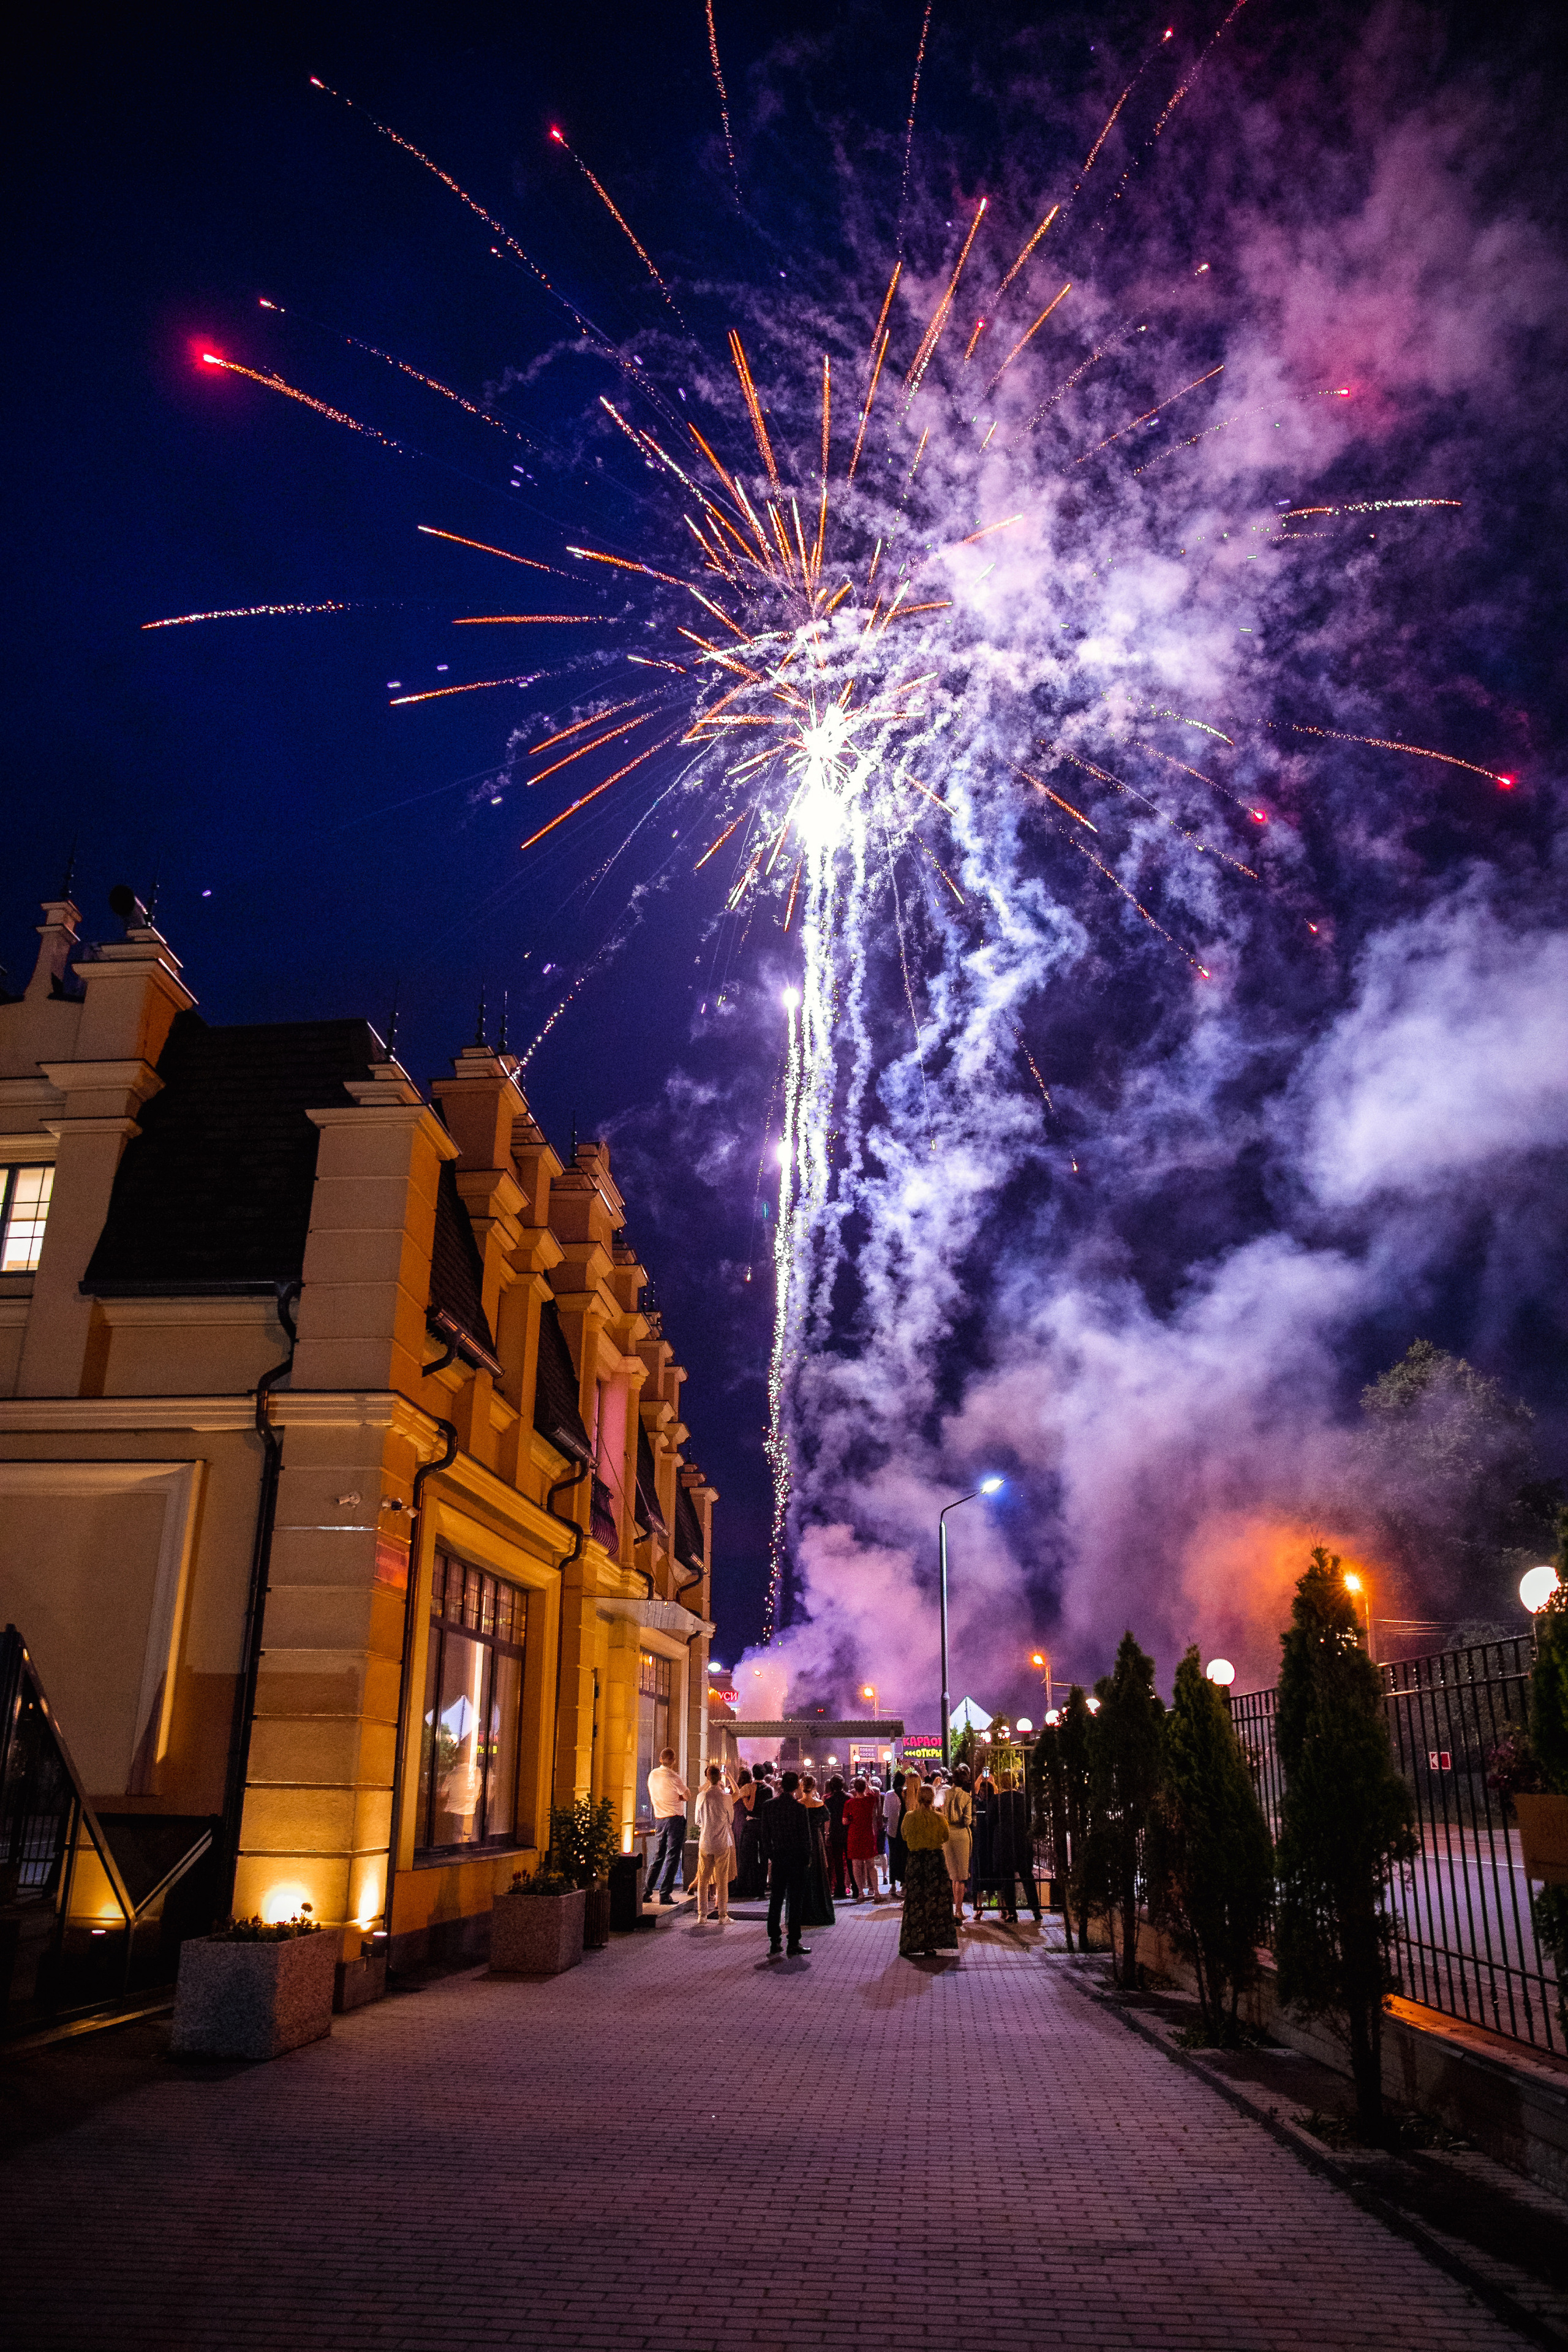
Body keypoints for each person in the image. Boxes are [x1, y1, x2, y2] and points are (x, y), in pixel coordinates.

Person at [899, 1784, 959, 1959]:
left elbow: (904, 1836)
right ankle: (932, 1944)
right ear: (933, 1799)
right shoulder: (939, 1818)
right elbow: (945, 1837)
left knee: (915, 1901)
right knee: (935, 1902)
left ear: (918, 1798)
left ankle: (912, 1942)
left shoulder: (909, 1818)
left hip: (916, 1861)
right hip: (934, 1861)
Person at [761, 1768, 812, 1956]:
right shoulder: (799, 1809)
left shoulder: (769, 1806)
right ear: (797, 1787)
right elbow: (805, 1837)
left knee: (776, 1899)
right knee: (795, 1901)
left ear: (781, 1785)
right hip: (796, 1859)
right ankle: (794, 1942)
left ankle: (775, 1941)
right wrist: (807, 1858)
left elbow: (765, 1835)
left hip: (779, 1857)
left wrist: (770, 1855)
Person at [992, 1768, 1042, 1924]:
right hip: (1021, 1839)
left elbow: (990, 1820)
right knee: (1027, 1875)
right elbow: (1029, 1818)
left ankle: (1012, 1913)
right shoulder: (1023, 1798)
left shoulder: (998, 1799)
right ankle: (1036, 1910)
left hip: (1004, 1840)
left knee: (1008, 1877)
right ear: (1015, 1782)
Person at [643, 1746, 691, 1906]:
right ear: (674, 1761)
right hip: (675, 1820)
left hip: (659, 1819)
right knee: (672, 1857)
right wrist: (679, 1797)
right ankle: (665, 1894)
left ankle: (647, 1890)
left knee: (659, 1856)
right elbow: (687, 1795)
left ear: (660, 1759)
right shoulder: (673, 1776)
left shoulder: (653, 1775)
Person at [694, 1762, 736, 1925]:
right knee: (722, 1880)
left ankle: (702, 1915)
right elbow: (730, 1820)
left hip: (705, 1842)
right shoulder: (726, 1798)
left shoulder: (701, 1797)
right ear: (720, 1778)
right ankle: (722, 1916)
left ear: (707, 1777)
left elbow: (697, 1821)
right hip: (722, 1842)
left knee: (703, 1880)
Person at [799, 1775, 837, 1928]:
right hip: (816, 1840)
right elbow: (827, 1821)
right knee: (818, 1873)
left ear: (802, 1786)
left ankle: (804, 1911)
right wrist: (825, 1834)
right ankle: (820, 1909)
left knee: (804, 1874)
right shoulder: (820, 1804)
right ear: (814, 1787)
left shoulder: (799, 1805)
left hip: (802, 1841)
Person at [943, 1764, 975, 1923]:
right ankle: (958, 1910)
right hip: (962, 1835)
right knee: (962, 1876)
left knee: (953, 1875)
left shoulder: (946, 1794)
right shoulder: (967, 1797)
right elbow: (968, 1820)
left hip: (947, 1835)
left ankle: (955, 1909)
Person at [731, 1766, 767, 1897]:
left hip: (751, 1824)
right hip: (764, 1826)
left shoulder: (750, 1787)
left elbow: (737, 1797)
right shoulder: (770, 1789)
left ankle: (742, 1888)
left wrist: (745, 1799)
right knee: (763, 1857)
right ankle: (761, 1888)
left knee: (745, 1856)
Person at [843, 1774, 881, 1901]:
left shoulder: (849, 1803)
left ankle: (860, 1893)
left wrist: (851, 1818)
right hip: (868, 1835)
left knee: (856, 1866)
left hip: (854, 1835)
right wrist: (868, 1782)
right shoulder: (870, 1800)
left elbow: (844, 1822)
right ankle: (876, 1892)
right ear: (865, 1787)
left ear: (854, 1788)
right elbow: (872, 1791)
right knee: (871, 1865)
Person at [971, 1769, 998, 1918]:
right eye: (981, 1791)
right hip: (981, 1843)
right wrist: (981, 1781)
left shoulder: (994, 1803)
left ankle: (1003, 1908)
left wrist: (990, 1783)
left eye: (985, 1791)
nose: (983, 1793)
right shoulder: (977, 1804)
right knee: (980, 1876)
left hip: (990, 1843)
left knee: (995, 1876)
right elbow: (973, 1794)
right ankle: (979, 1908)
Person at [826, 1774, 851, 1899]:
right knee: (850, 1860)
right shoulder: (849, 1798)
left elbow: (828, 1819)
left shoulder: (829, 1801)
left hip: (835, 1832)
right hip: (848, 1831)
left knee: (838, 1862)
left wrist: (827, 1834)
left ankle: (840, 1888)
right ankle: (855, 1888)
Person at [883, 1771, 907, 1894]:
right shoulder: (907, 1794)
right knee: (904, 1857)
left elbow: (886, 1813)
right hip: (905, 1830)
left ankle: (893, 1886)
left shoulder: (889, 1795)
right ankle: (904, 1884)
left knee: (893, 1856)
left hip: (892, 1830)